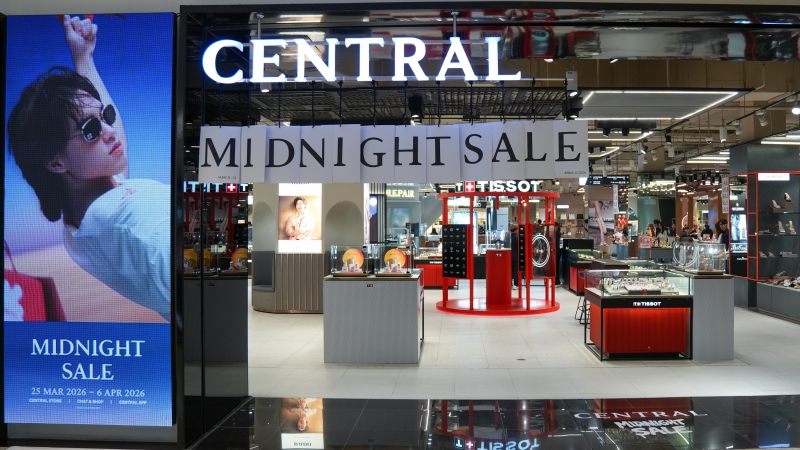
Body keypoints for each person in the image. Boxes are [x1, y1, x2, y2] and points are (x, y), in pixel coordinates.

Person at [7, 15, 169, 321]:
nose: (109, 131)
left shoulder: (84, 218)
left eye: (105, 117)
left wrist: (83, 59)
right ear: (56, 162)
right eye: (90, 130)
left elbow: (112, 141)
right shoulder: (140, 226)